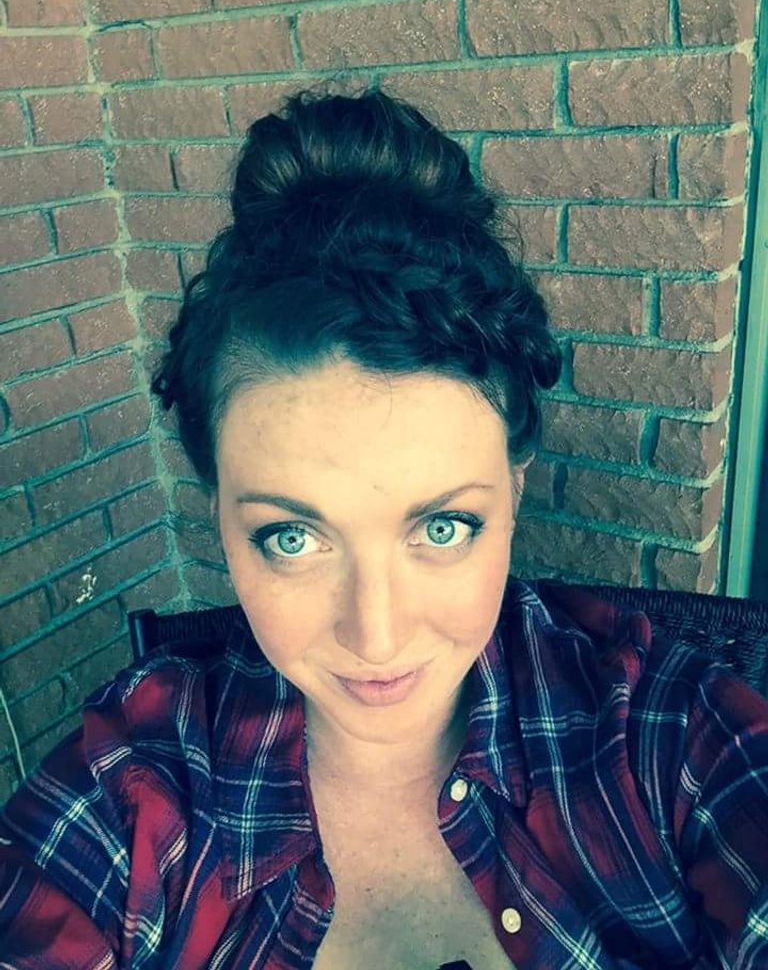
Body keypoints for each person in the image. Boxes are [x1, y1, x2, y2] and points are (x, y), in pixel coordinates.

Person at [0, 84, 766, 970]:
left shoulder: (669, 739)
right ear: (218, 514)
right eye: (293, 538)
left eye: (442, 527)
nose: (377, 634)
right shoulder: (132, 792)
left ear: (514, 488)